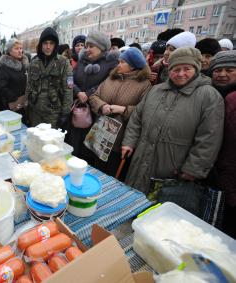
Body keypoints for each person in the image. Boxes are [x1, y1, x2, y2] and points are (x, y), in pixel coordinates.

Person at [122, 47, 224, 193]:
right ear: (169, 70)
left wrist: (193, 169)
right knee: (133, 198)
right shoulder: (156, 90)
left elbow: (209, 138)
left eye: (187, 68)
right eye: (175, 69)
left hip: (174, 169)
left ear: (196, 69)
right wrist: (129, 142)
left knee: (159, 210)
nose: (181, 74)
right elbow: (137, 117)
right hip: (140, 160)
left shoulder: (209, 96)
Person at [88, 47, 151, 179]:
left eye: (123, 62)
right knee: (94, 171)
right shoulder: (111, 78)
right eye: (119, 61)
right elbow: (94, 96)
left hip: (119, 141)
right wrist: (102, 106)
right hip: (99, 134)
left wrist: (123, 110)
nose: (119, 65)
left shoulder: (144, 85)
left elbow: (145, 112)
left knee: (110, 176)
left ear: (134, 66)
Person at [66, 30, 118, 162]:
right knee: (73, 146)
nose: (87, 49)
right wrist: (77, 92)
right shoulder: (82, 61)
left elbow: (107, 84)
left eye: (91, 46)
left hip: (96, 114)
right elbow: (69, 79)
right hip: (77, 111)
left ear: (101, 47)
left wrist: (88, 94)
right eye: (86, 46)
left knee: (89, 152)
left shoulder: (111, 64)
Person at [209, 50, 236, 238]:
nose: (222, 74)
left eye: (230, 69)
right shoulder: (211, 94)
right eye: (218, 70)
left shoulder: (231, 99)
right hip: (216, 171)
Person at [26, 27, 73, 128]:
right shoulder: (34, 63)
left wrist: (65, 113)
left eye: (51, 43)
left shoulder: (63, 63)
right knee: (36, 140)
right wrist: (27, 106)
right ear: (41, 45)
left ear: (55, 45)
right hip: (36, 112)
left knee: (51, 142)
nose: (48, 47)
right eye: (45, 43)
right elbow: (29, 86)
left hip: (53, 114)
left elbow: (68, 89)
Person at [0, 38, 29, 120]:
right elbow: (2, 87)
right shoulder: (4, 67)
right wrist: (15, 99)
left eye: (21, 48)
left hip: (25, 106)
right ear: (9, 51)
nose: (20, 51)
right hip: (13, 107)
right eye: (16, 48)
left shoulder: (23, 65)